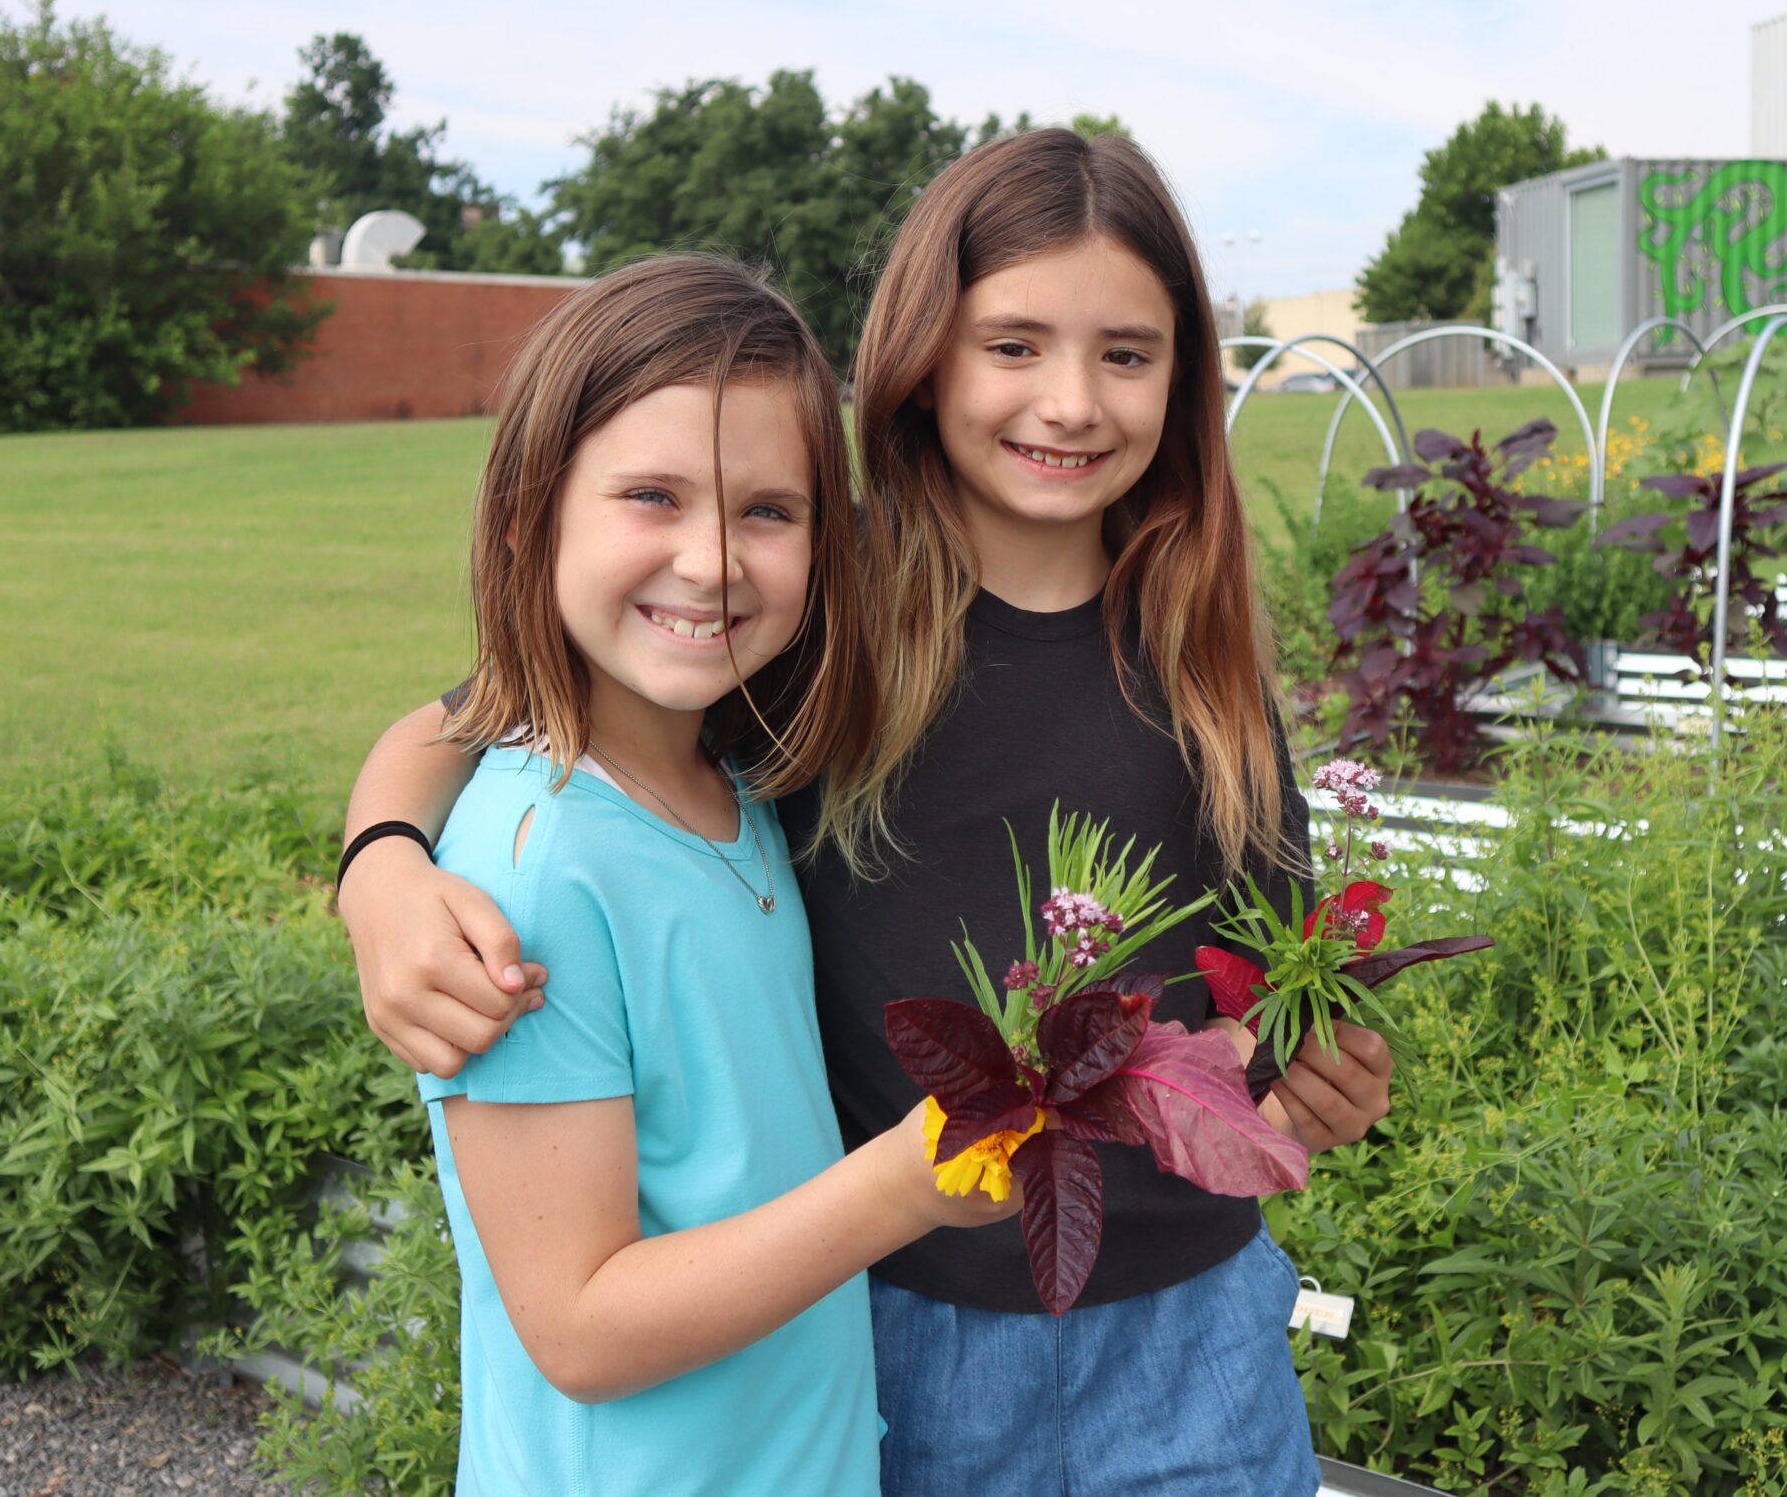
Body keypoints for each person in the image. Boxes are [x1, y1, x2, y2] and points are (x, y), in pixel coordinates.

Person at [340, 131, 1393, 1495]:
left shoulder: (1197, 648)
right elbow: (473, 713)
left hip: (1196, 1338)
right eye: (1013, 343)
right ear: (924, 353)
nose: (1069, 401)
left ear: (1183, 375)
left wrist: (1325, 1079)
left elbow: (1263, 992)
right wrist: (379, 864)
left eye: (1125, 353)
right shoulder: (811, 602)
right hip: (900, 1343)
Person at [359, 252, 1011, 1497]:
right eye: (652, 497)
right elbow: (581, 1328)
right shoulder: (533, 871)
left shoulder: (734, 779)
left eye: (769, 511)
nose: (713, 562)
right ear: (526, 519)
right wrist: (904, 1186)